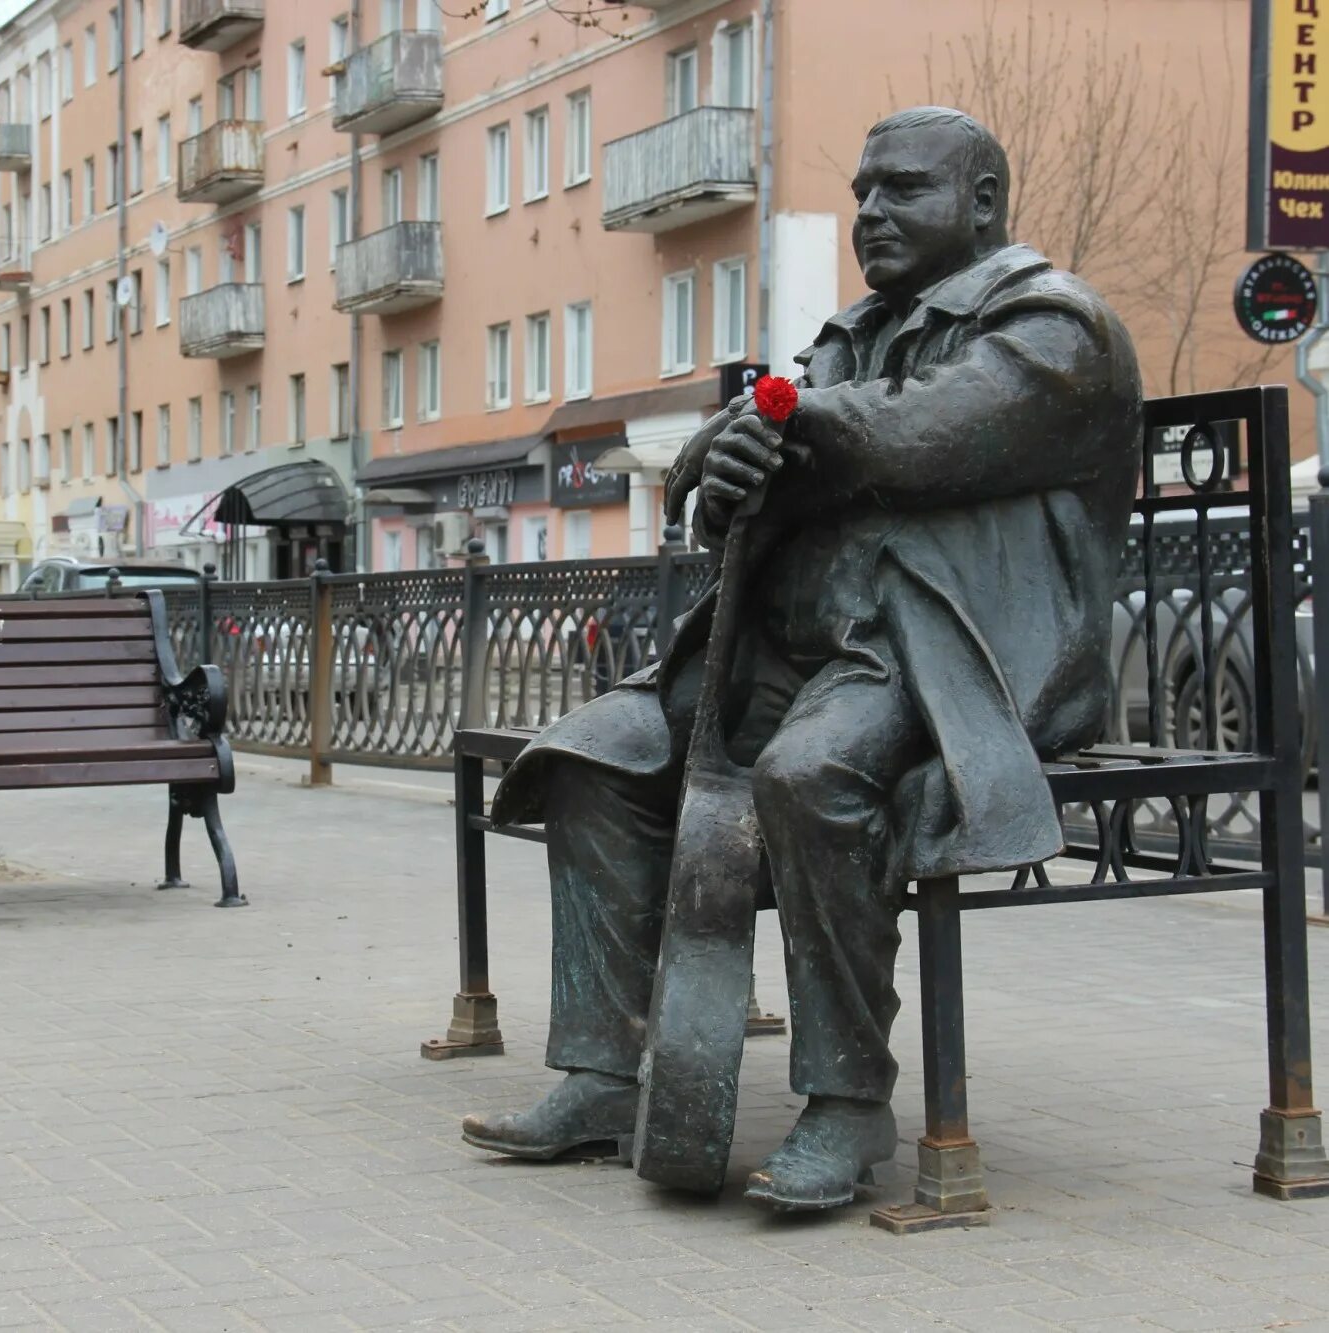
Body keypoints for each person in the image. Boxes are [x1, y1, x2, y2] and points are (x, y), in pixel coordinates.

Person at [461, 107, 1144, 1211]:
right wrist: (721, 464)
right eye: (862, 189)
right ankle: (596, 1074)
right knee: (591, 755)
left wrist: (773, 426)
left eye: (902, 189)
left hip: (943, 658)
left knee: (807, 775)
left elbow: (922, 431)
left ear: (979, 204)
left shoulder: (1053, 327)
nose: (869, 211)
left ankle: (845, 1102)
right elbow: (742, 490)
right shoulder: (850, 335)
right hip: (784, 649)